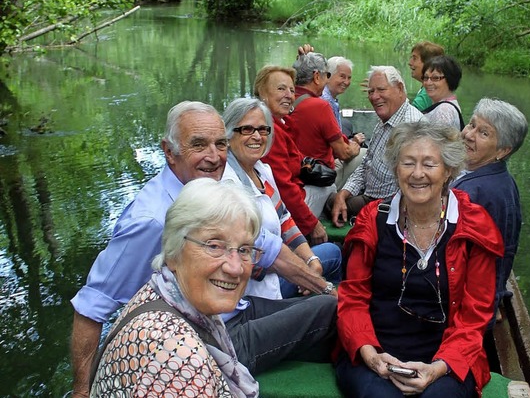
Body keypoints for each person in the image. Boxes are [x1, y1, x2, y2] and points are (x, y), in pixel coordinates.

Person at [70, 101, 337, 397]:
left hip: (229, 313)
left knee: (334, 306)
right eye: (199, 145)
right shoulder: (151, 220)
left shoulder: (215, 190)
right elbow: (91, 307)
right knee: (331, 311)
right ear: (169, 152)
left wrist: (323, 286)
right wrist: (82, 390)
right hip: (206, 337)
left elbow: (269, 248)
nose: (214, 157)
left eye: (220, 144)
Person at [335, 121, 504, 398]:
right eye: (408, 163)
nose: (417, 174)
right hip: (376, 349)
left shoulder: (474, 225)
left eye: (429, 164)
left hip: (446, 357)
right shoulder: (372, 219)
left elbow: (474, 318)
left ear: (448, 170)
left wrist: (437, 368)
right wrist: (371, 355)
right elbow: (353, 298)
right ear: (396, 169)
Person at [91, 178, 261, 397]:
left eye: (245, 249)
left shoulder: (163, 293)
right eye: (214, 246)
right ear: (173, 253)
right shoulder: (179, 358)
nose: (236, 268)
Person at [222, 97, 342, 299]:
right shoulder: (228, 184)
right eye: (247, 129)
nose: (257, 137)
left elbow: (284, 218)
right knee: (334, 255)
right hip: (251, 295)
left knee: (328, 253)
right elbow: (247, 262)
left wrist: (310, 258)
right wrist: (300, 273)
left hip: (277, 276)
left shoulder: (261, 170)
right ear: (228, 134)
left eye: (263, 130)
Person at [451, 97, 528, 325]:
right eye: (472, 124)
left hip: (466, 304)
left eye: (483, 133)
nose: (468, 134)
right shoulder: (500, 179)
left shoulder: (473, 193)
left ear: (503, 150)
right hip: (485, 295)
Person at [326, 65, 423, 227]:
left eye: (381, 90)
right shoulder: (384, 121)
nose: (375, 96)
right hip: (370, 193)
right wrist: (343, 194)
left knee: (329, 204)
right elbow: (365, 165)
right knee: (333, 199)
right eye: (371, 91)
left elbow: (413, 188)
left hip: (386, 205)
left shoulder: (413, 127)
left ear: (399, 88)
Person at [256, 65, 330, 245]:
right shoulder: (269, 132)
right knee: (329, 188)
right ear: (262, 93)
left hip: (287, 195)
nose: (289, 95)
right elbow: (284, 188)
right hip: (281, 208)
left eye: (291, 90)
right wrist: (312, 225)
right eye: (281, 89)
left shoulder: (281, 123)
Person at [290, 52, 362, 171]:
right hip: (317, 177)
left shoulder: (287, 99)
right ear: (317, 77)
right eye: (327, 75)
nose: (327, 80)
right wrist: (355, 147)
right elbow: (344, 153)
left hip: (296, 171)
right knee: (364, 156)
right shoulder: (320, 106)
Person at [321, 55, 367, 190]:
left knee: (346, 124)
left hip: (329, 151)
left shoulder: (328, 97)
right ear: (328, 76)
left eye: (349, 78)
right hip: (327, 166)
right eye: (342, 76)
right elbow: (342, 153)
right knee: (365, 154)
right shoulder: (326, 102)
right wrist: (354, 144)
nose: (346, 82)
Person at [421, 55, 464, 131]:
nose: (428, 82)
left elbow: (436, 141)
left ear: (450, 79)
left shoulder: (444, 110)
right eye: (426, 77)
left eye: (435, 78)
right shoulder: (449, 104)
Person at [408, 41, 445, 112]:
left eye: (414, 58)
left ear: (428, 63)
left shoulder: (428, 93)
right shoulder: (437, 88)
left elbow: (410, 117)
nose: (410, 63)